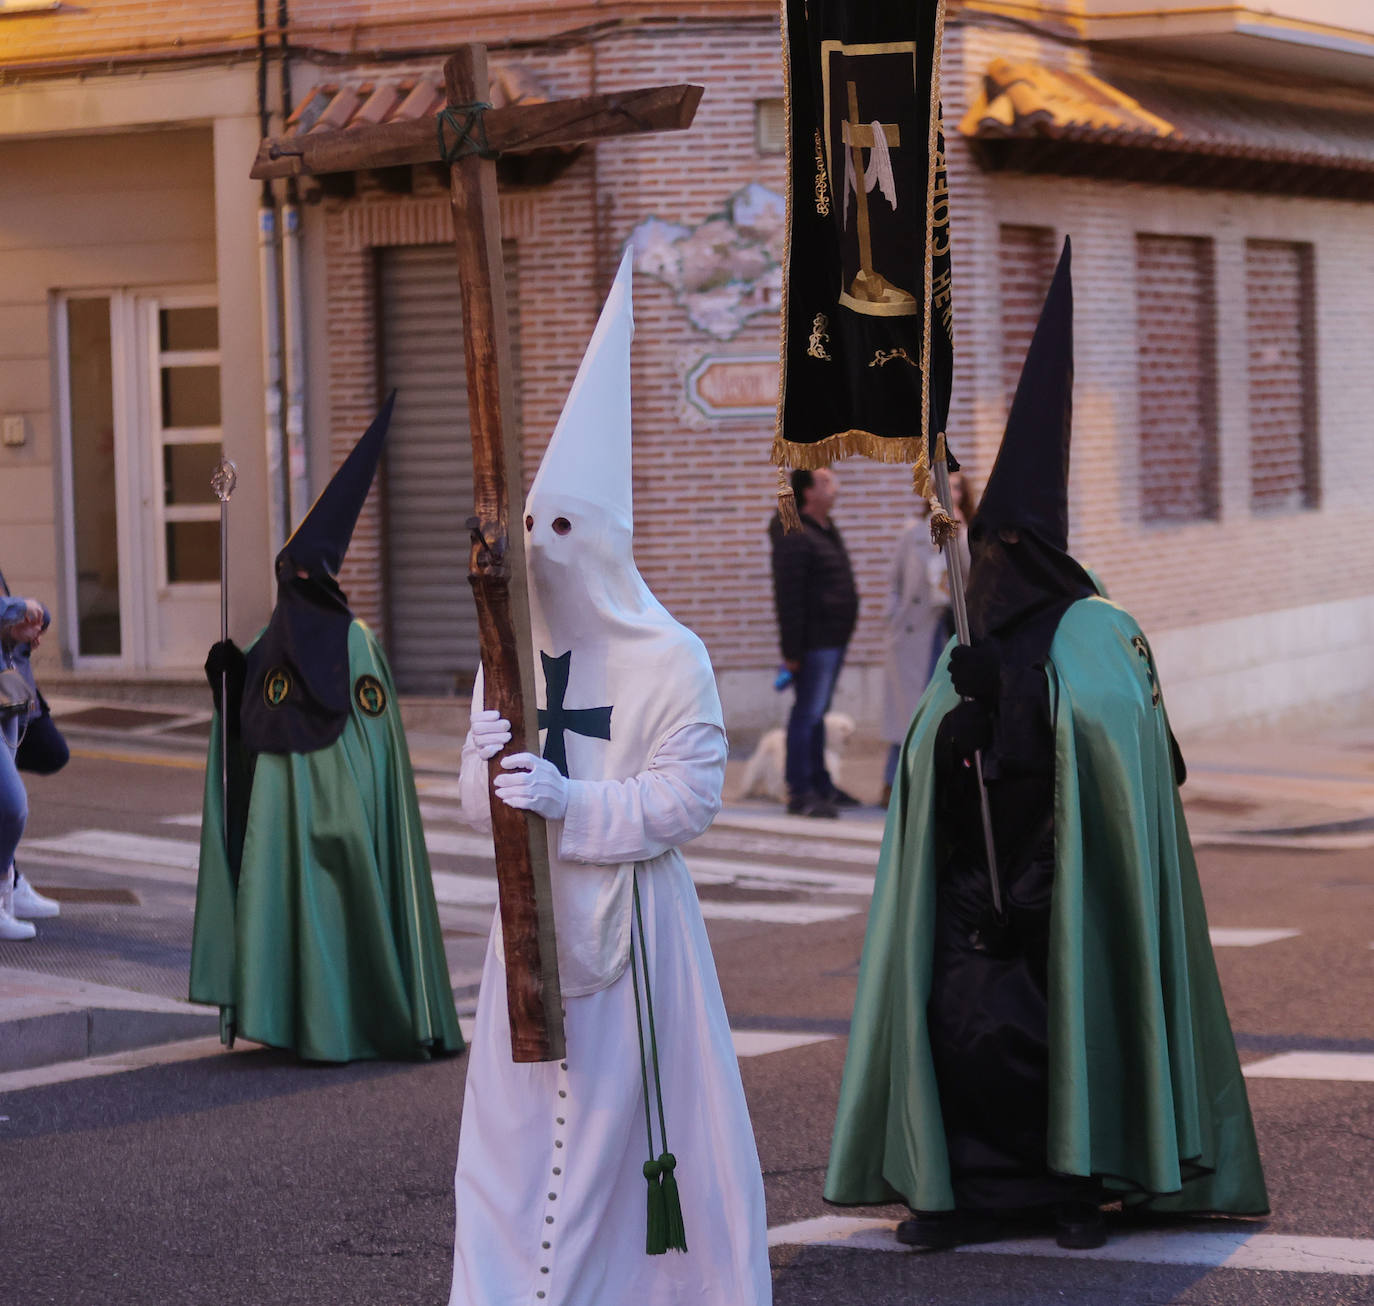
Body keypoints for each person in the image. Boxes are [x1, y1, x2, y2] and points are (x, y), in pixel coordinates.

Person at [825, 238, 1267, 1251]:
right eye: (987, 554)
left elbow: (1125, 752)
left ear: (1038, 549)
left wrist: (1014, 717)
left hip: (1064, 879)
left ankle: (1082, 1186)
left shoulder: (1099, 629)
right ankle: (972, 1192)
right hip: (972, 879)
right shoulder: (968, 634)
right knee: (962, 1026)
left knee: (1066, 1024)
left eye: (1006, 554)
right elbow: (929, 767)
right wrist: (957, 732)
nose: (993, 570)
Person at [448, 252, 771, 1306]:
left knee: (623, 1136)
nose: (544, 553)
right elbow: (470, 797)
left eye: (565, 533)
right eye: (534, 528)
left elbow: (689, 801)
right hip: (528, 925)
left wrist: (569, 802)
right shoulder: (511, 651)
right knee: (514, 1134)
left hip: (636, 934)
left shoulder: (671, 657)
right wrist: (491, 775)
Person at [189, 396, 464, 1063]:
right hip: (323, 819)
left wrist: (238, 678)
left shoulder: (312, 640)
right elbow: (255, 723)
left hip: (300, 822)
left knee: (305, 904)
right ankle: (324, 1018)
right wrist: (227, 674)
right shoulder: (320, 641)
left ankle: (317, 1019)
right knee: (326, 904)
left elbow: (344, 736)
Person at [768, 466, 859, 817]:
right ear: (808, 492)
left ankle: (821, 784)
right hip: (814, 642)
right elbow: (788, 596)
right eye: (826, 482)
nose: (834, 488)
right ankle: (800, 791)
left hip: (833, 639)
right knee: (806, 714)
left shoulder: (824, 528)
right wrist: (791, 652)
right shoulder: (795, 535)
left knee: (817, 714)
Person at [878, 474, 974, 806]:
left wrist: (957, 530)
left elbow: (969, 577)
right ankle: (893, 785)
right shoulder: (913, 534)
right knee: (907, 711)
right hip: (911, 634)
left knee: (946, 706)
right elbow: (894, 582)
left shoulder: (966, 533)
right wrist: (891, 618)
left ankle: (940, 783)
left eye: (957, 487)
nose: (949, 492)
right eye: (942, 486)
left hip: (949, 629)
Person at [0, 568, 64, 930]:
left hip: (4, 696)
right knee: (11, 806)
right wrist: (18, 609)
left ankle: (8, 889)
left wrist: (16, 625)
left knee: (9, 806)